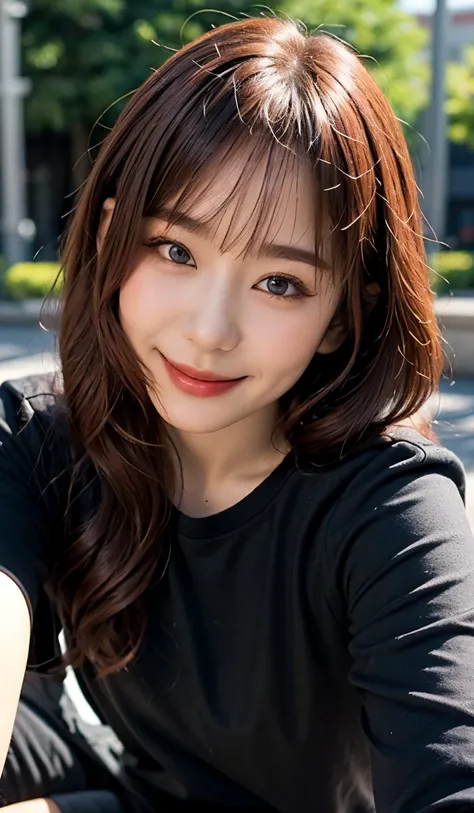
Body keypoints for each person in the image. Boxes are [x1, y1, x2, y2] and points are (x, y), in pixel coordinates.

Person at [1, 13, 474, 813]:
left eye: (280, 282)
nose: (208, 330)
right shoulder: (44, 437)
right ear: (114, 239)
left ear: (341, 317)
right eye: (176, 250)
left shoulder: (390, 506)